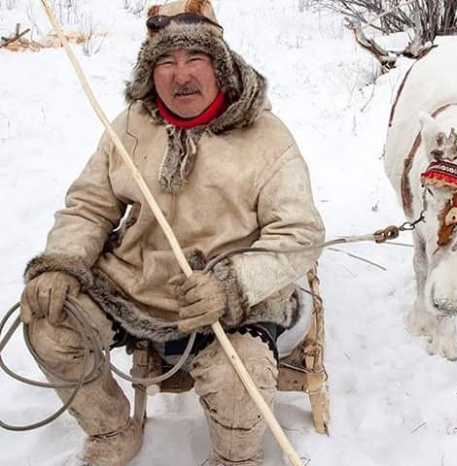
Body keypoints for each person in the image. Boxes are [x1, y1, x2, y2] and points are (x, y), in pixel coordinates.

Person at [19, 1, 325, 465]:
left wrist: (232, 284)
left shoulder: (267, 138)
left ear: (219, 66)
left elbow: (300, 233)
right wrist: (63, 262)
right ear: (151, 69)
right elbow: (89, 206)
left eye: (194, 59)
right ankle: (111, 431)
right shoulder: (129, 128)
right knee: (48, 324)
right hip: (134, 284)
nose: (180, 75)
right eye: (165, 61)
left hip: (229, 300)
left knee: (239, 379)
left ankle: (235, 459)